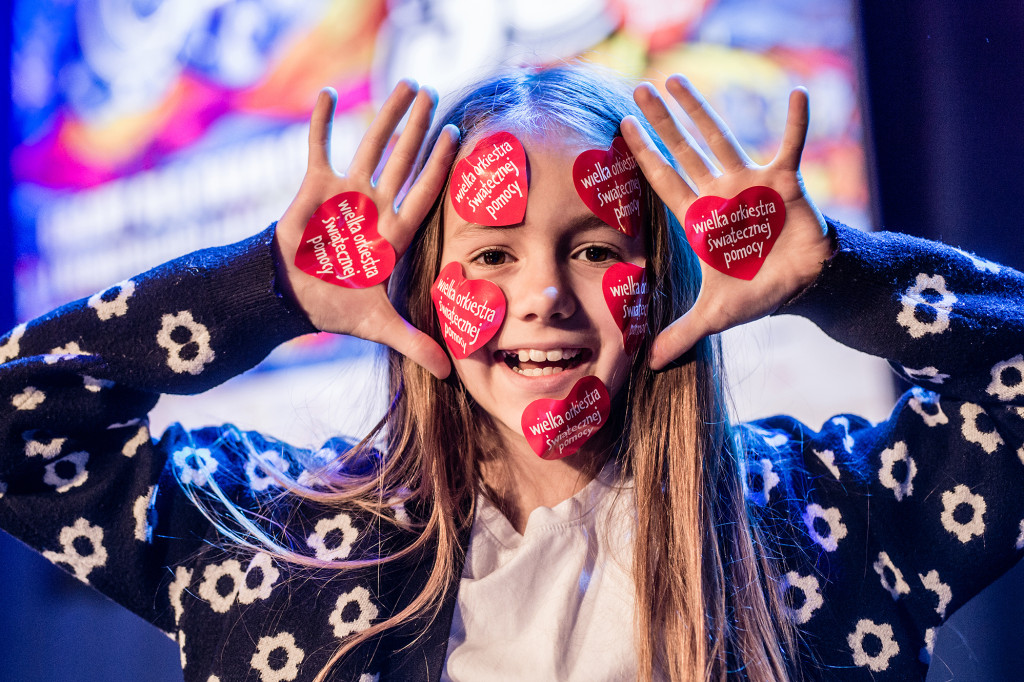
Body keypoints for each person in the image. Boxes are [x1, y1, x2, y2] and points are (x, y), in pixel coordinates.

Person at [1, 63, 1022, 682]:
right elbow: (20, 426)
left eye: (593, 249)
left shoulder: (825, 521)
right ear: (419, 289)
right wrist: (265, 287)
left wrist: (839, 277)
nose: (544, 295)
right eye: (490, 254)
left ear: (661, 281)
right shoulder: (276, 541)